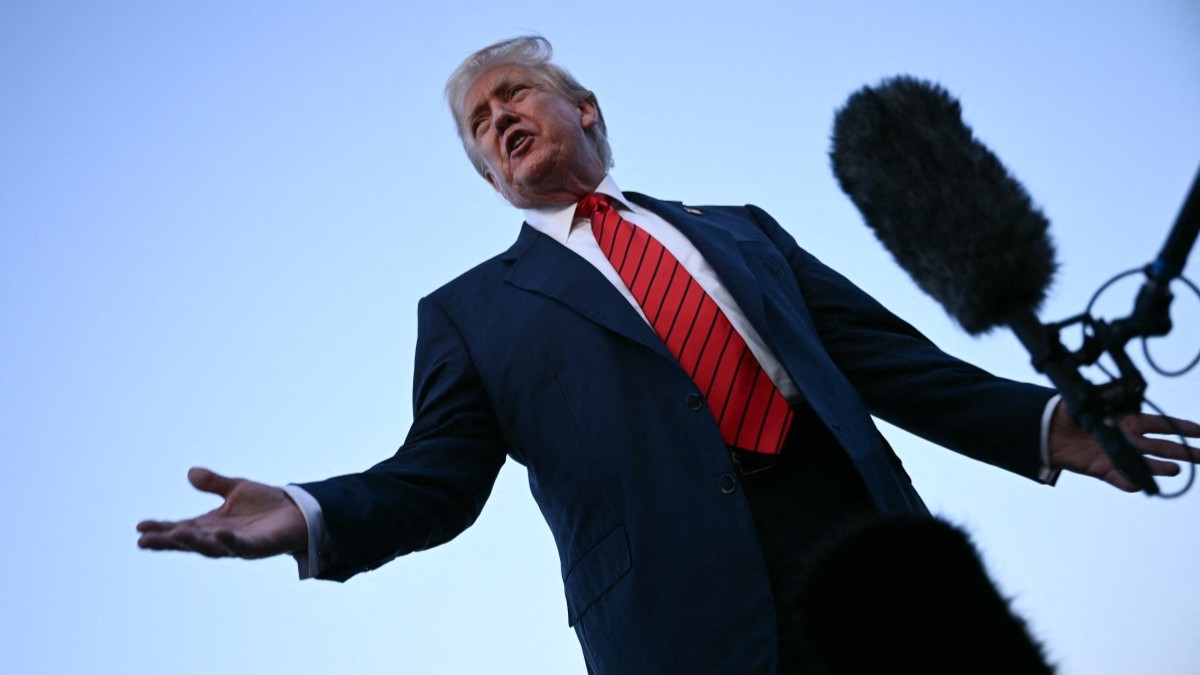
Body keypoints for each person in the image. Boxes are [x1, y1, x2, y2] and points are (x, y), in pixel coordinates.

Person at [137, 36, 1197, 674]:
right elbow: (439, 479)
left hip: (876, 555)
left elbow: (884, 359)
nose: (498, 117)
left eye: (513, 94)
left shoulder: (740, 229)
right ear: (487, 176)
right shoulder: (470, 314)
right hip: (683, 624)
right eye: (479, 123)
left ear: (584, 111)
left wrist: (1048, 423)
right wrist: (311, 511)